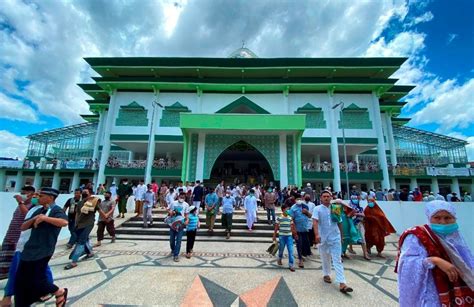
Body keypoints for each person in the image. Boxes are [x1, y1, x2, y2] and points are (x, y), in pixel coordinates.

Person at [396, 200, 474, 306]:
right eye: (437, 218)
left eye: (447, 218)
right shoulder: (417, 236)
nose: (443, 222)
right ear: (429, 218)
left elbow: (468, 262)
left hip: (458, 292)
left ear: (454, 219)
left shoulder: (455, 236)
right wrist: (435, 260)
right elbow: (406, 264)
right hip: (430, 292)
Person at [14, 188, 68, 307]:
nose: (38, 198)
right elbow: (23, 227)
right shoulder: (39, 210)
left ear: (51, 198)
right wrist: (34, 219)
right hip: (29, 250)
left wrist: (45, 218)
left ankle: (59, 291)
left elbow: (64, 222)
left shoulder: (56, 210)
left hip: (43, 250)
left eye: (42, 196)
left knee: (37, 280)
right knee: (20, 281)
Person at [0, 193, 45, 306]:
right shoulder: (32, 207)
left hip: (30, 245)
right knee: (35, 269)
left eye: (38, 195)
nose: (35, 197)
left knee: (17, 270)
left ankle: (8, 297)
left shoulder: (41, 209)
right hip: (21, 244)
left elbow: (27, 218)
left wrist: (20, 202)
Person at [313, 191, 353, 293]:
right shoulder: (317, 209)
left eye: (328, 196)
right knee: (325, 257)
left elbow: (339, 221)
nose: (326, 198)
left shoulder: (335, 208)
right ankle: (326, 274)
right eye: (324, 196)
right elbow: (315, 222)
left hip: (335, 237)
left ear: (331, 198)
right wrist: (317, 235)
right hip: (323, 237)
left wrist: (342, 235)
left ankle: (342, 283)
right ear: (321, 198)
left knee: (337, 259)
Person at [0, 186, 35, 280]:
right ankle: (5, 274)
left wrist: (20, 202)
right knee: (5, 258)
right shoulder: (20, 205)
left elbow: (28, 215)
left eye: (25, 193)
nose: (23, 195)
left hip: (20, 238)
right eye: (22, 193)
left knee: (16, 260)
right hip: (10, 235)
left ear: (31, 194)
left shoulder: (32, 205)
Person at [65, 189, 99, 270]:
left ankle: (74, 261)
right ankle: (90, 253)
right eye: (83, 192)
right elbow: (77, 214)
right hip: (79, 224)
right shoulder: (80, 203)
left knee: (81, 241)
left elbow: (100, 211)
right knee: (84, 239)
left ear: (90, 194)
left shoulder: (94, 202)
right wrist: (76, 223)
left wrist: (106, 217)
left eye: (86, 192)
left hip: (88, 224)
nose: (84, 193)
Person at [272, 203, 296, 272]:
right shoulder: (279, 217)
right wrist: (274, 235)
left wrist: (294, 233)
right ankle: (279, 258)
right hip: (282, 236)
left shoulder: (290, 217)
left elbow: (292, 226)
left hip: (289, 236)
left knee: (290, 250)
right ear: (283, 210)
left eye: (288, 209)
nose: (288, 211)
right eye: (287, 209)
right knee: (281, 249)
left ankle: (291, 264)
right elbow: (276, 227)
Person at [167, 192, 189, 262]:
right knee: (171, 240)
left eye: (183, 197)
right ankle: (173, 250)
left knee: (179, 241)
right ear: (178, 196)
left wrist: (187, 220)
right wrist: (170, 212)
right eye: (181, 196)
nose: (181, 198)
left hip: (180, 224)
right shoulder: (173, 203)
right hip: (172, 224)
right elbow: (168, 210)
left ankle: (176, 255)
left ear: (185, 198)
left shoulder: (186, 204)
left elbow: (186, 214)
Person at [289, 199, 311, 268]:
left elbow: (310, 216)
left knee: (305, 244)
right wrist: (294, 231)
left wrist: (307, 212)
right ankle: (300, 259)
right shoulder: (293, 208)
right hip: (297, 230)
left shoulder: (305, 206)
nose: (299, 200)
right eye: (297, 199)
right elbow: (291, 220)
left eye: (300, 199)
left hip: (305, 229)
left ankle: (303, 255)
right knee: (299, 244)